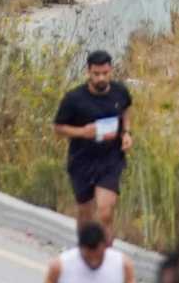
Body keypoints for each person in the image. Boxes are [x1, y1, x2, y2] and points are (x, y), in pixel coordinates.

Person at [53, 45, 133, 242]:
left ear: (111, 70)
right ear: (88, 71)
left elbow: (126, 110)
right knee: (85, 213)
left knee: (105, 212)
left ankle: (107, 257)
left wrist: (126, 133)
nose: (101, 78)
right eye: (96, 74)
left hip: (110, 159)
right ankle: (85, 251)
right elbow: (58, 128)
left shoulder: (119, 92)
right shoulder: (74, 99)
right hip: (82, 161)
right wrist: (83, 132)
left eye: (105, 73)